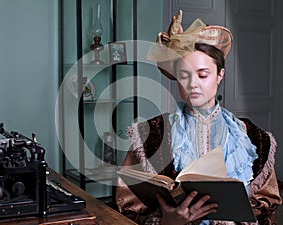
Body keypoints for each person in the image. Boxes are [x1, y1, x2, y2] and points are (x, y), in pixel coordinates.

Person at [116, 10, 282, 225]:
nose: (193, 83)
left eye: (203, 74)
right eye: (184, 75)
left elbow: (268, 201)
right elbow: (127, 206)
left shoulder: (253, 138)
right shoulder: (150, 133)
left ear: (220, 75)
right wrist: (167, 222)